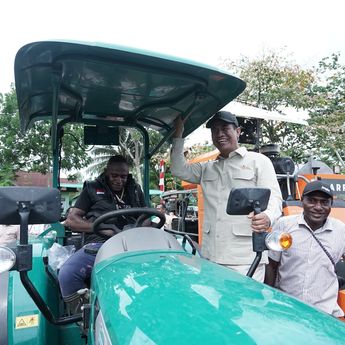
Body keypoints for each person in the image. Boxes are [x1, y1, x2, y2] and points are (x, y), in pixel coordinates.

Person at [170, 111, 282, 281]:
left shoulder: (258, 161)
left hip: (244, 259)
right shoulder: (207, 168)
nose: (220, 134)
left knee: (244, 306)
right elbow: (178, 169)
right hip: (211, 257)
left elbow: (275, 198)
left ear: (237, 131)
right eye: (215, 130)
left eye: (225, 128)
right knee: (215, 307)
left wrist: (267, 217)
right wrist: (178, 135)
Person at [58, 155, 146, 308]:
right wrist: (103, 229)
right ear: (106, 172)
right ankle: (83, 314)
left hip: (134, 243)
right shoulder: (91, 188)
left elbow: (147, 216)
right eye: (114, 175)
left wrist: (140, 228)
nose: (119, 180)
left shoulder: (136, 190)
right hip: (101, 244)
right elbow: (72, 220)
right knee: (67, 274)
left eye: (123, 176)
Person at [265, 180, 345, 317]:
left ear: (331, 204)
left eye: (324, 202)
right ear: (302, 201)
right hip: (286, 308)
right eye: (312, 201)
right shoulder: (284, 225)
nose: (318, 207)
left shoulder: (341, 230)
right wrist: (268, 300)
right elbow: (272, 265)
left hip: (325, 312)